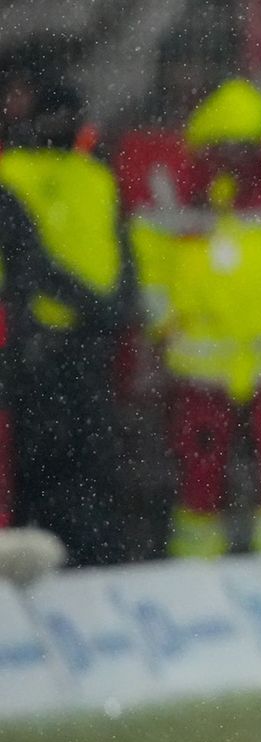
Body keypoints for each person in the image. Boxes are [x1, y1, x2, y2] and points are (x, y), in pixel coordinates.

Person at [131, 78, 261, 557]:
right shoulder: (175, 204)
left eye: (244, 146)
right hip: (201, 371)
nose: (234, 156)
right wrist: (168, 328)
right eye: (224, 146)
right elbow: (148, 272)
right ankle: (196, 579)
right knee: (200, 483)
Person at [0, 82, 132, 567]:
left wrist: (113, 310)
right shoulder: (10, 175)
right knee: (38, 469)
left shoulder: (95, 175)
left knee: (90, 465)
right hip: (29, 347)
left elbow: (121, 246)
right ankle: (50, 563)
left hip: (83, 347)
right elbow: (28, 263)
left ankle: (90, 560)